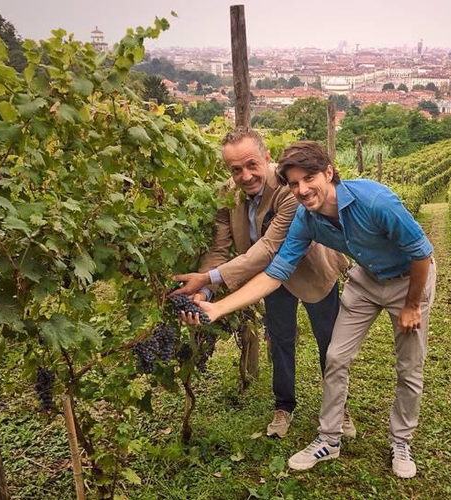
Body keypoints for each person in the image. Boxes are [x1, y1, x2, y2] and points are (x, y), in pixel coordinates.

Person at [194, 141, 436, 479]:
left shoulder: (375, 200)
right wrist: (218, 308)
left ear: (329, 172)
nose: (303, 190)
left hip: (409, 280)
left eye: (309, 178)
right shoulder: (306, 220)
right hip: (366, 278)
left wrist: (411, 305)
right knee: (336, 357)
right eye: (294, 184)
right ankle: (329, 439)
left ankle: (401, 441)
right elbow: (275, 272)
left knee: (409, 367)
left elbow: (421, 252)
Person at [172, 129, 354, 439]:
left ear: (266, 157)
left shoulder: (288, 188)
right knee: (280, 340)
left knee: (330, 344)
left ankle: (339, 407)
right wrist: (204, 290)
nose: (245, 175)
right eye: (235, 169)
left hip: (311, 272)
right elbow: (219, 249)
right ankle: (284, 406)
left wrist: (208, 279)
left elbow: (269, 248)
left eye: (252, 164)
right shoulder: (226, 195)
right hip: (268, 281)